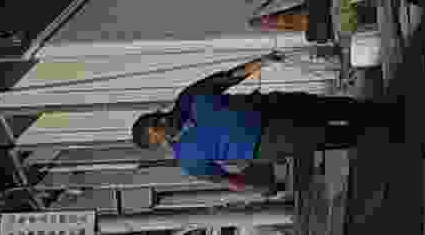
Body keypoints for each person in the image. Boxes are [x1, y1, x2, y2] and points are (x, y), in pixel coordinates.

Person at [135, 69, 391, 187]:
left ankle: (377, 112)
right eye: (157, 128)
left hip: (268, 106)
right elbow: (225, 178)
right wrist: (257, 184)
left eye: (157, 118)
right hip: (266, 142)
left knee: (323, 107)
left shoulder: (187, 98)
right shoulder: (188, 159)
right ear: (159, 142)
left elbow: (226, 79)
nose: (162, 121)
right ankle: (378, 133)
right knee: (321, 136)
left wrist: (260, 63)